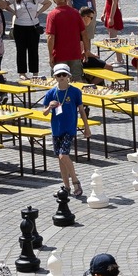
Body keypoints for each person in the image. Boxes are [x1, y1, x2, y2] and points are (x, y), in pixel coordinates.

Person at [40, 62, 89, 198]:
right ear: (55, 77)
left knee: (63, 155)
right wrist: (49, 107)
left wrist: (86, 128)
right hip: (56, 129)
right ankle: (66, 187)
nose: (61, 77)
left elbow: (81, 111)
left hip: (69, 128)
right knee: (61, 159)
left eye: (64, 75)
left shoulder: (75, 92)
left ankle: (76, 182)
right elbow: (44, 112)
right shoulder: (51, 93)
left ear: (68, 76)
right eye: (58, 75)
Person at [44, 0, 82, 73]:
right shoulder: (75, 12)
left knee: (59, 78)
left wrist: (50, 55)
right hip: (75, 53)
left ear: (55, 1)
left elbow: (50, 37)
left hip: (59, 55)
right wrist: (86, 50)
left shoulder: (52, 15)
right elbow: (84, 33)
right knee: (76, 78)